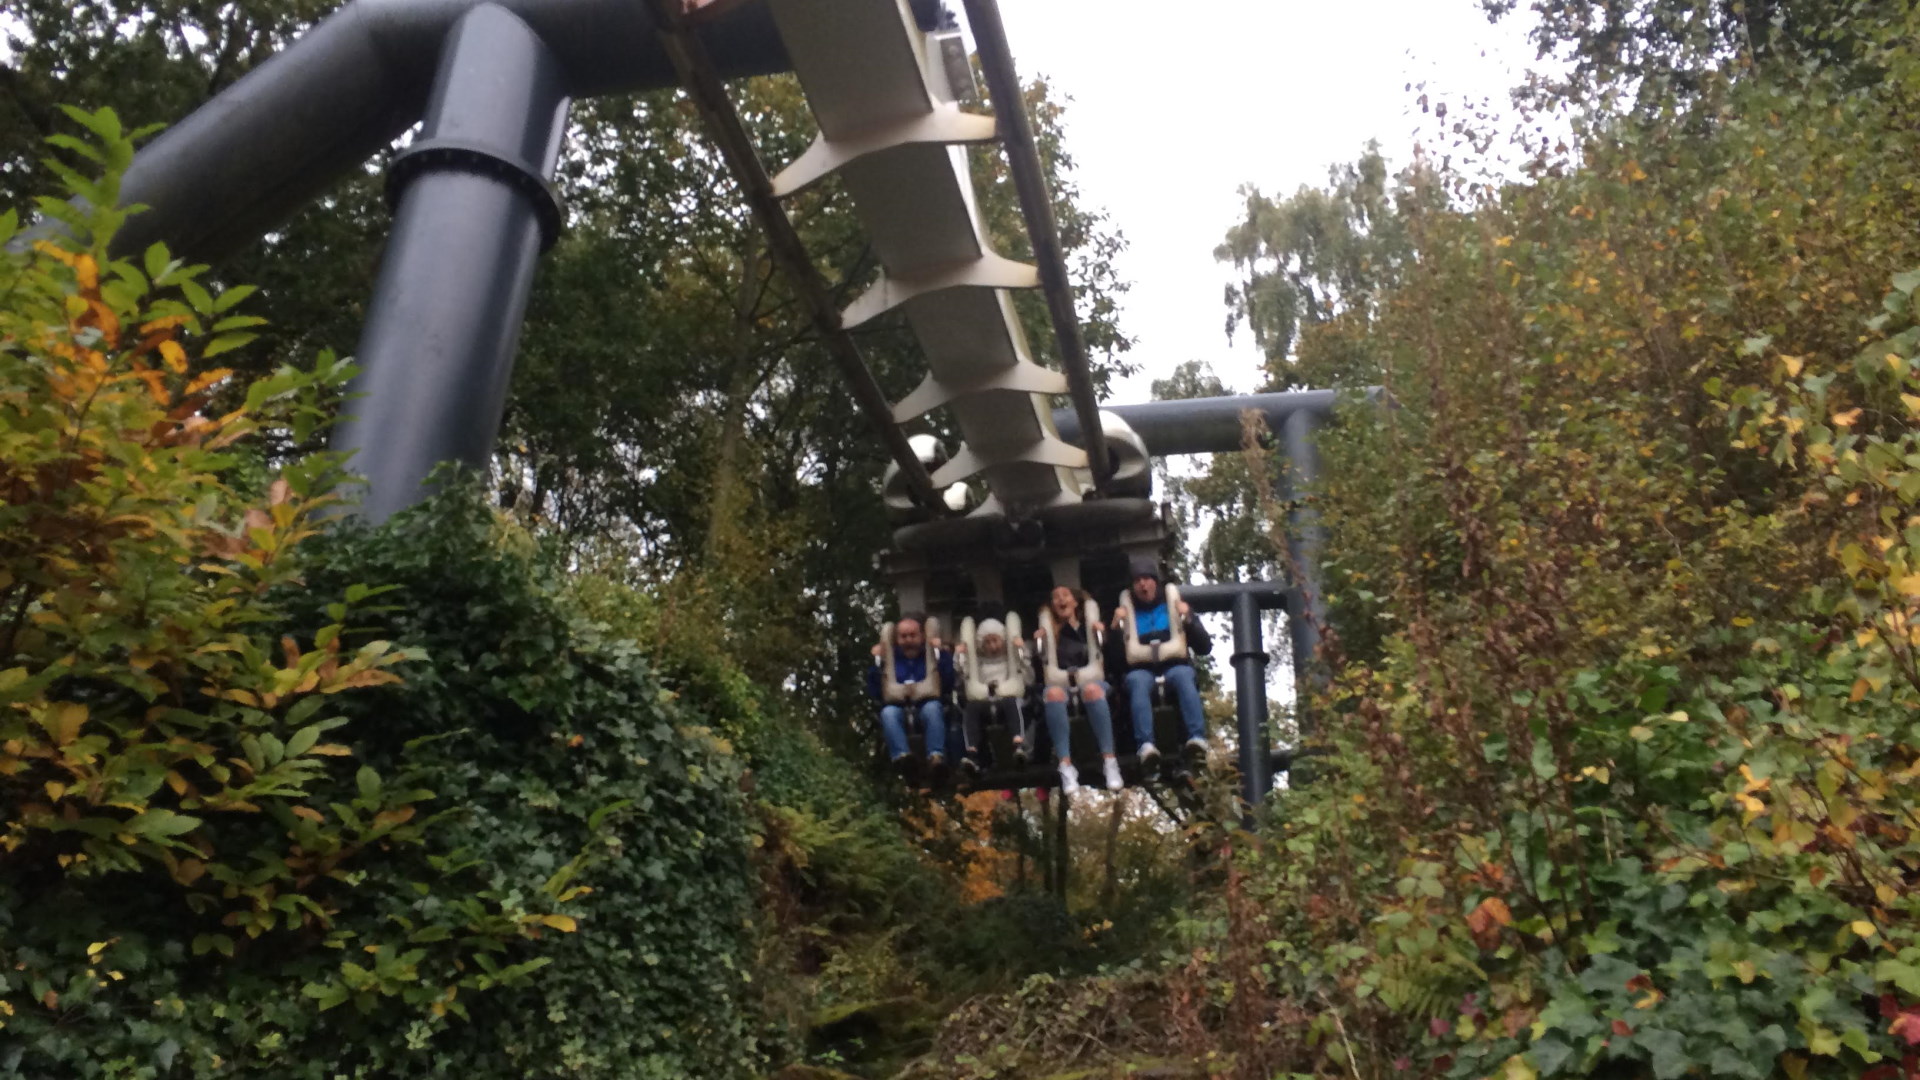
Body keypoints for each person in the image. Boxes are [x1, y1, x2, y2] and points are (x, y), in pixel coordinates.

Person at [1107, 556, 1212, 765]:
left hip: (1174, 665)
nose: (1142, 584)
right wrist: (1116, 630)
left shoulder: (1173, 606)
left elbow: (1204, 647)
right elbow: (1114, 662)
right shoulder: (1127, 613)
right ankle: (1145, 744)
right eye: (1137, 581)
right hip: (1141, 669)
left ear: (1156, 581)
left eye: (1146, 579)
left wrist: (1189, 619)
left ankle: (1197, 737)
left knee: (1184, 676)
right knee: (1136, 682)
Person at [1033, 586, 1123, 794]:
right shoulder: (1050, 635)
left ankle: (1110, 761)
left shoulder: (1087, 629)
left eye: (1065, 596)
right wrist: (1040, 646)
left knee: (1093, 690)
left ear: (1075, 602)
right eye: (1055, 597)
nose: (1060, 600)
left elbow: (1112, 659)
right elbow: (1042, 671)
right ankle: (1065, 765)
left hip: (1092, 682)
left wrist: (1104, 635)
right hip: (1061, 684)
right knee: (1052, 694)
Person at [866, 613, 954, 776]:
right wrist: (877, 662)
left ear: (921, 636)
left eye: (913, 635)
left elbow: (948, 681)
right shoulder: (891, 660)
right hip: (898, 705)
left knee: (933, 709)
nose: (908, 640)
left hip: (926, 702)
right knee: (888, 713)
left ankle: (936, 757)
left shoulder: (931, 656)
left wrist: (940, 653)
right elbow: (875, 690)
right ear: (897, 639)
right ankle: (902, 757)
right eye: (903, 636)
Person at [955, 617, 1032, 778]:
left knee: (1012, 703)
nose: (992, 646)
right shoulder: (979, 663)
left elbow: (1028, 676)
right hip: (984, 699)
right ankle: (972, 752)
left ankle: (1018, 744)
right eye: (987, 642)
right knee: (972, 709)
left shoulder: (1010, 660)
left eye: (995, 641)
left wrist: (1021, 650)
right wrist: (960, 654)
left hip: (1007, 698)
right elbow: (963, 672)